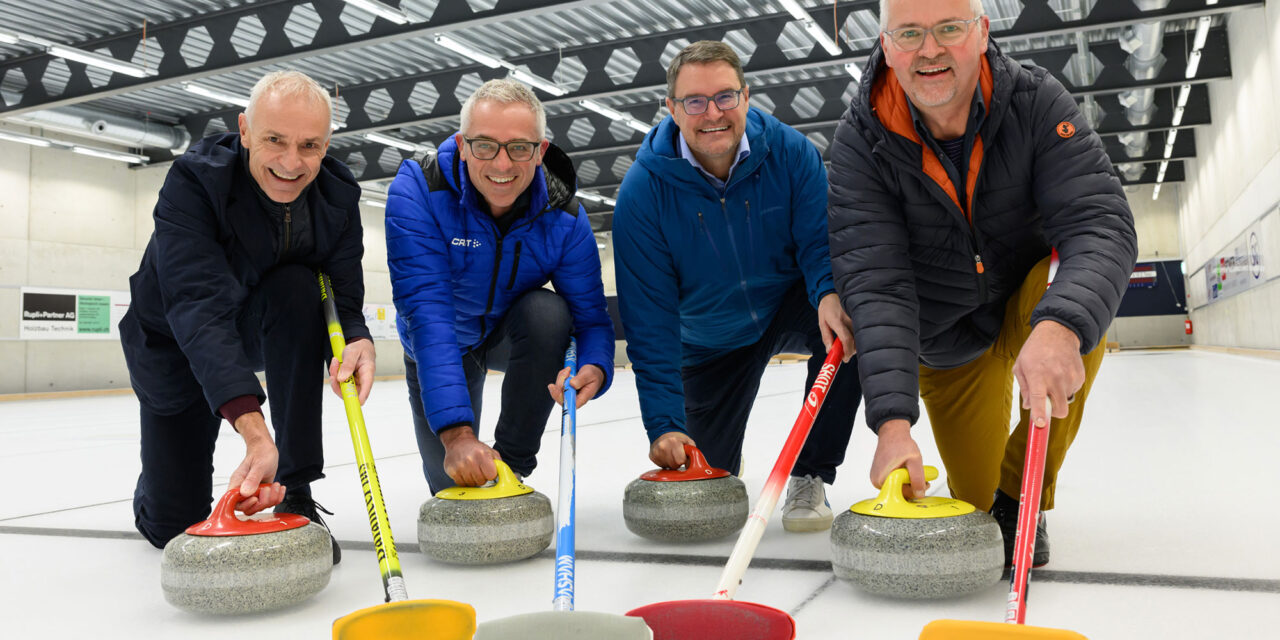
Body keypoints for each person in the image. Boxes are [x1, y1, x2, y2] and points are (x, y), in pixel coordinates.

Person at [827, 0, 1138, 566]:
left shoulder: (1036, 102)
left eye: (949, 28)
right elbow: (878, 284)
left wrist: (1061, 325)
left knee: (1071, 297)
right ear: (887, 47)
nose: (930, 49)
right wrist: (892, 423)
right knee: (973, 510)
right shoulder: (859, 145)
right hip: (944, 344)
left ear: (981, 32)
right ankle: (992, 495)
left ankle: (1023, 497)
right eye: (910, 34)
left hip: (1028, 307)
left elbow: (1099, 222)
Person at [121, 70, 376, 564]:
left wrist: (358, 336)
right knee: (173, 529)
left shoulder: (337, 196)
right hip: (173, 343)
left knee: (298, 286)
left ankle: (296, 489)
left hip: (257, 328)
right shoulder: (195, 183)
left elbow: (340, 296)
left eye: (310, 146)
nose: (291, 162)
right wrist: (255, 432)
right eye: (274, 140)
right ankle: (158, 481)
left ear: (327, 145)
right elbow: (197, 306)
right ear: (244, 130)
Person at [613, 41, 862, 533]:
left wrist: (830, 293)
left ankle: (810, 472)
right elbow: (650, 319)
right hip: (709, 339)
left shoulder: (790, 152)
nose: (713, 113)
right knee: (708, 479)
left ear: (746, 97)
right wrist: (664, 424)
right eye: (695, 101)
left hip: (787, 303)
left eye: (725, 97)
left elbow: (818, 242)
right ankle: (723, 453)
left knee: (856, 319)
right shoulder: (643, 193)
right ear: (672, 109)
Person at [385, 79, 614, 494]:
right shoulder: (420, 188)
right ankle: (462, 457)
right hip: (437, 342)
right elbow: (427, 311)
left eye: (519, 147)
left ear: (541, 150)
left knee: (549, 313)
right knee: (453, 487)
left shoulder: (564, 215)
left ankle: (513, 464)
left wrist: (595, 366)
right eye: (485, 145)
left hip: (507, 333)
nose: (503, 164)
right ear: (462, 143)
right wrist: (456, 435)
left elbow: (591, 318)